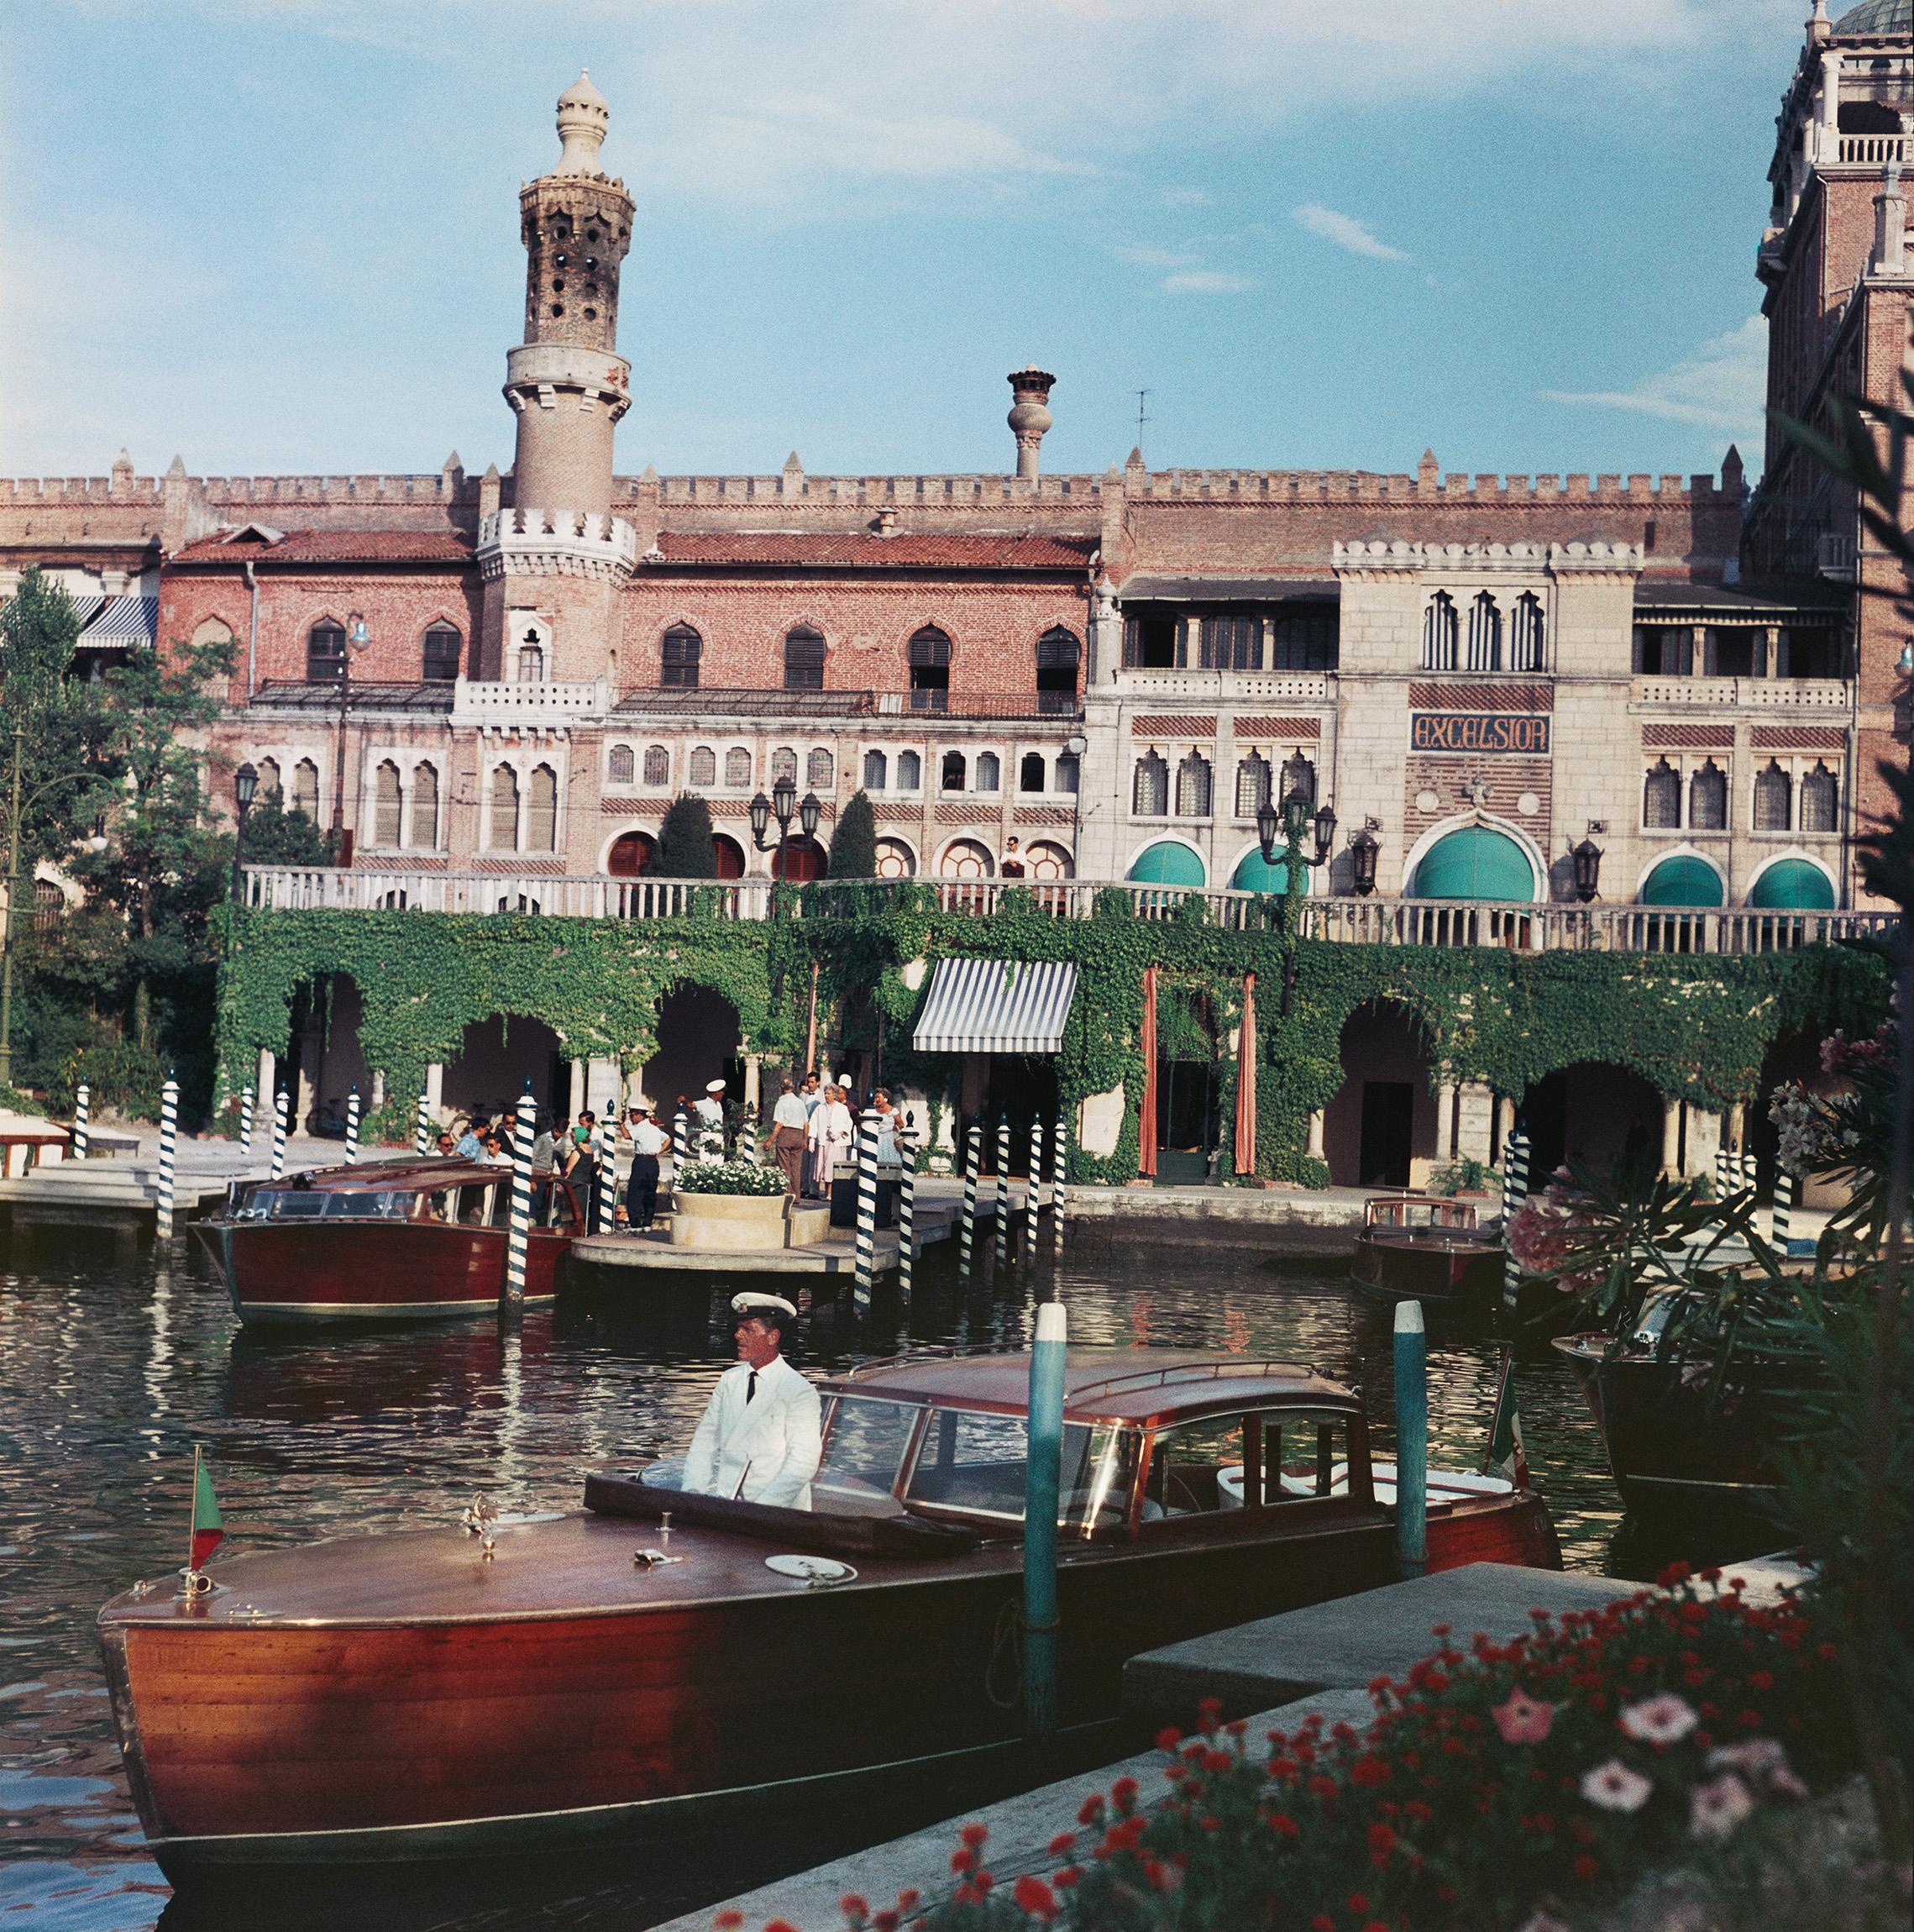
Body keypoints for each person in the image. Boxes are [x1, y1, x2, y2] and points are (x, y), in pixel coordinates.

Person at [680, 1294, 822, 1509]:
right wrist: (693, 1492)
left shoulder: (798, 1391)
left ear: (772, 1337)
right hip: (728, 1504)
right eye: (738, 1328)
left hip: (777, 1513)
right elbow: (705, 1440)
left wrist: (761, 1510)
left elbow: (803, 1461)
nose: (737, 1335)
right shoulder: (729, 1380)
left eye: (748, 1330)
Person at [806, 1075, 854, 1199]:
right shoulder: (820, 1107)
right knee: (823, 1166)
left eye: (828, 1093)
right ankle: (826, 1192)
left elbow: (848, 1124)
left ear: (834, 1095)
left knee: (832, 1165)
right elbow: (814, 1123)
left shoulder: (842, 1108)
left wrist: (839, 1133)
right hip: (823, 1140)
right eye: (825, 1093)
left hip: (835, 1142)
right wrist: (812, 1138)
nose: (826, 1096)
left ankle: (830, 1193)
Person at [625, 1104, 669, 1231]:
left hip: (642, 1161)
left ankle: (635, 1224)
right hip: (653, 1162)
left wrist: (621, 1125)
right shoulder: (654, 1129)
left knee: (635, 1191)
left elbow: (627, 1136)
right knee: (650, 1192)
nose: (632, 1119)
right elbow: (667, 1139)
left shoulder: (640, 1128)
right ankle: (647, 1222)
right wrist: (659, 1152)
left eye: (632, 1115)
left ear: (639, 1115)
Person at [766, 1077, 809, 1195]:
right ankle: (796, 1195)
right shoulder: (800, 1102)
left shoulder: (781, 1102)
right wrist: (805, 1139)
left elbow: (779, 1124)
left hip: (786, 1134)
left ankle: (786, 1193)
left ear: (781, 1089)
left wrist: (770, 1141)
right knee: (796, 1167)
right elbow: (806, 1123)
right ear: (793, 1087)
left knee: (784, 1165)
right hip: (798, 1135)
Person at [693, 1079, 726, 1163]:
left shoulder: (718, 1105)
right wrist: (684, 1100)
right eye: (722, 1091)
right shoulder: (703, 1104)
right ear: (716, 1093)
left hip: (718, 1135)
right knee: (705, 1161)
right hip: (708, 1134)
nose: (723, 1094)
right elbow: (691, 1105)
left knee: (718, 1162)